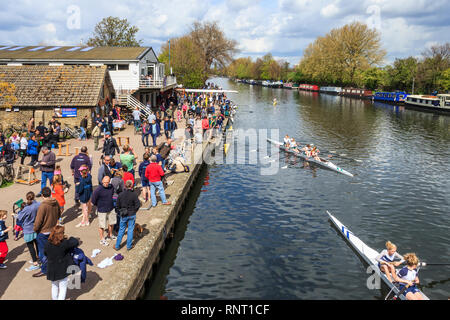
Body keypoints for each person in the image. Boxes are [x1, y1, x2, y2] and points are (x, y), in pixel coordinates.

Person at [32, 187, 61, 278]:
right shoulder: (55, 202)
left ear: (42, 195)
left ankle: (45, 270)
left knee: (42, 253)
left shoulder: (43, 205)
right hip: (53, 230)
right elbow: (59, 214)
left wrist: (35, 229)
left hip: (43, 232)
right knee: (52, 250)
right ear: (50, 193)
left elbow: (38, 221)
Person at [44, 225, 79, 300]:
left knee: (54, 286)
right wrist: (69, 238)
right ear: (61, 234)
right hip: (62, 269)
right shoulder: (64, 243)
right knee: (63, 288)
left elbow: (45, 253)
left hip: (52, 269)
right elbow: (75, 242)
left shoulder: (47, 244)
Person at [16, 192, 41, 271]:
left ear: (27, 198)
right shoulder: (38, 204)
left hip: (28, 230)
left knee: (31, 248)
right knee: (37, 245)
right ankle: (39, 259)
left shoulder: (27, 208)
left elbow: (19, 218)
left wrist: (14, 215)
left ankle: (35, 263)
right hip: (36, 228)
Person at [115, 180, 141, 251]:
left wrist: (121, 211)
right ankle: (129, 246)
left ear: (125, 186)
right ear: (131, 186)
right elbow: (138, 205)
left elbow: (117, 206)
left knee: (121, 230)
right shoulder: (134, 194)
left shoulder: (120, 195)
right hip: (132, 214)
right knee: (130, 230)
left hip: (124, 215)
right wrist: (134, 211)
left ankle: (117, 246)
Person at [91, 176, 116, 246]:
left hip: (111, 208)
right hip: (102, 210)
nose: (106, 184)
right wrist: (100, 205)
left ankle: (110, 235)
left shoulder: (111, 187)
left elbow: (112, 195)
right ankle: (102, 239)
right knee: (102, 225)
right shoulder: (98, 190)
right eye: (105, 182)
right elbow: (93, 201)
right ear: (102, 181)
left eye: (107, 182)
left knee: (112, 223)